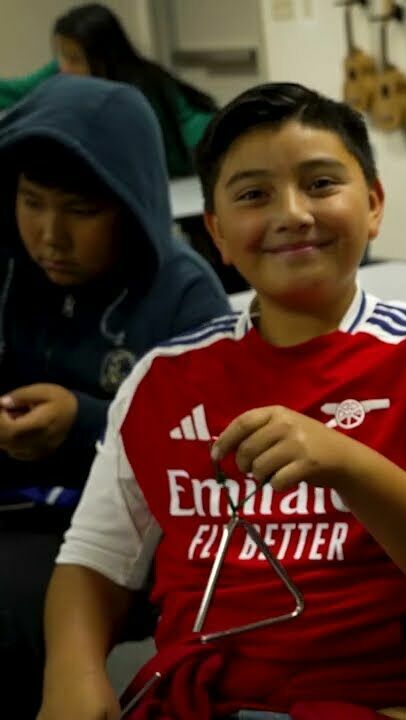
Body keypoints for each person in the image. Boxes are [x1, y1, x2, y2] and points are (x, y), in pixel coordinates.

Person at [39, 82, 406, 719]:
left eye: (321, 184)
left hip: (380, 696)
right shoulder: (165, 377)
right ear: (215, 232)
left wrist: (348, 466)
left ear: (375, 205)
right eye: (253, 195)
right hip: (198, 695)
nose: (293, 213)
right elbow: (94, 559)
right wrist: (72, 674)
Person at [0, 73, 229, 719]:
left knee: (10, 605)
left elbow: (213, 456)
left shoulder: (184, 292)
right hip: (15, 508)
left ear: (132, 203)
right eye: (30, 201)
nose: (49, 235)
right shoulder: (8, 267)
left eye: (81, 210)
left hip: (125, 538)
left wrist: (86, 425)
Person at [0, 3, 218, 178]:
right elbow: (19, 92)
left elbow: (152, 163)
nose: (64, 67)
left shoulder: (139, 89)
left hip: (194, 163)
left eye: (74, 58)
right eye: (61, 56)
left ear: (104, 57)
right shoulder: (65, 72)